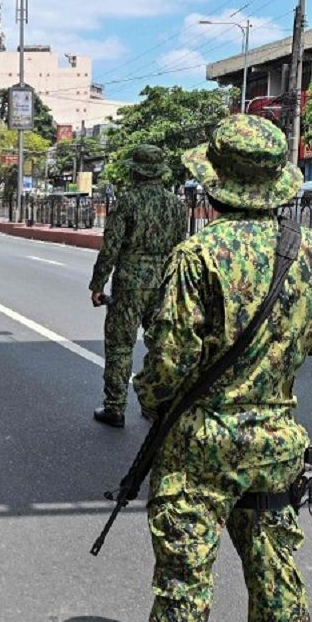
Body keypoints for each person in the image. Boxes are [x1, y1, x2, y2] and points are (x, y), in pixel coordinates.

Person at [116, 115, 312, 622]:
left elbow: (166, 364)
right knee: (274, 561)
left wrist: (154, 403)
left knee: (186, 569)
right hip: (275, 440)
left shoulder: (197, 256)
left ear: (214, 184)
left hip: (202, 444)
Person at [88, 144, 187, 428]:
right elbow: (181, 247)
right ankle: (157, 404)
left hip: (130, 283)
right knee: (162, 345)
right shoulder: (176, 205)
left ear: (136, 172)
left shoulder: (127, 202)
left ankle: (115, 407)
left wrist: (98, 284)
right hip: (164, 281)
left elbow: (111, 248)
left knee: (120, 346)